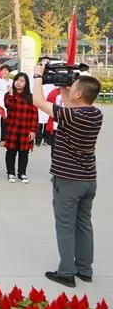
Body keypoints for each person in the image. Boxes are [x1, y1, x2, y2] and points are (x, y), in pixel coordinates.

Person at [32, 63, 103, 288]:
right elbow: (70, 105)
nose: (70, 88)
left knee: (65, 226)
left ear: (79, 94)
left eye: (73, 86)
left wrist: (37, 76)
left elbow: (38, 101)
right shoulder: (95, 114)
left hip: (68, 180)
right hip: (88, 179)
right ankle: (85, 269)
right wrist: (63, 85)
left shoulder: (71, 115)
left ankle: (66, 272)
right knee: (84, 225)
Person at [4, 72, 38, 183]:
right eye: (17, 80)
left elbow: (34, 114)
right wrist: (11, 95)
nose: (18, 83)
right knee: (11, 151)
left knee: (24, 152)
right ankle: (10, 172)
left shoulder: (30, 97)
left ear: (26, 83)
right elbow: (9, 106)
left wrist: (33, 130)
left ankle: (22, 173)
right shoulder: (8, 95)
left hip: (25, 129)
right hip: (12, 128)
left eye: (21, 81)